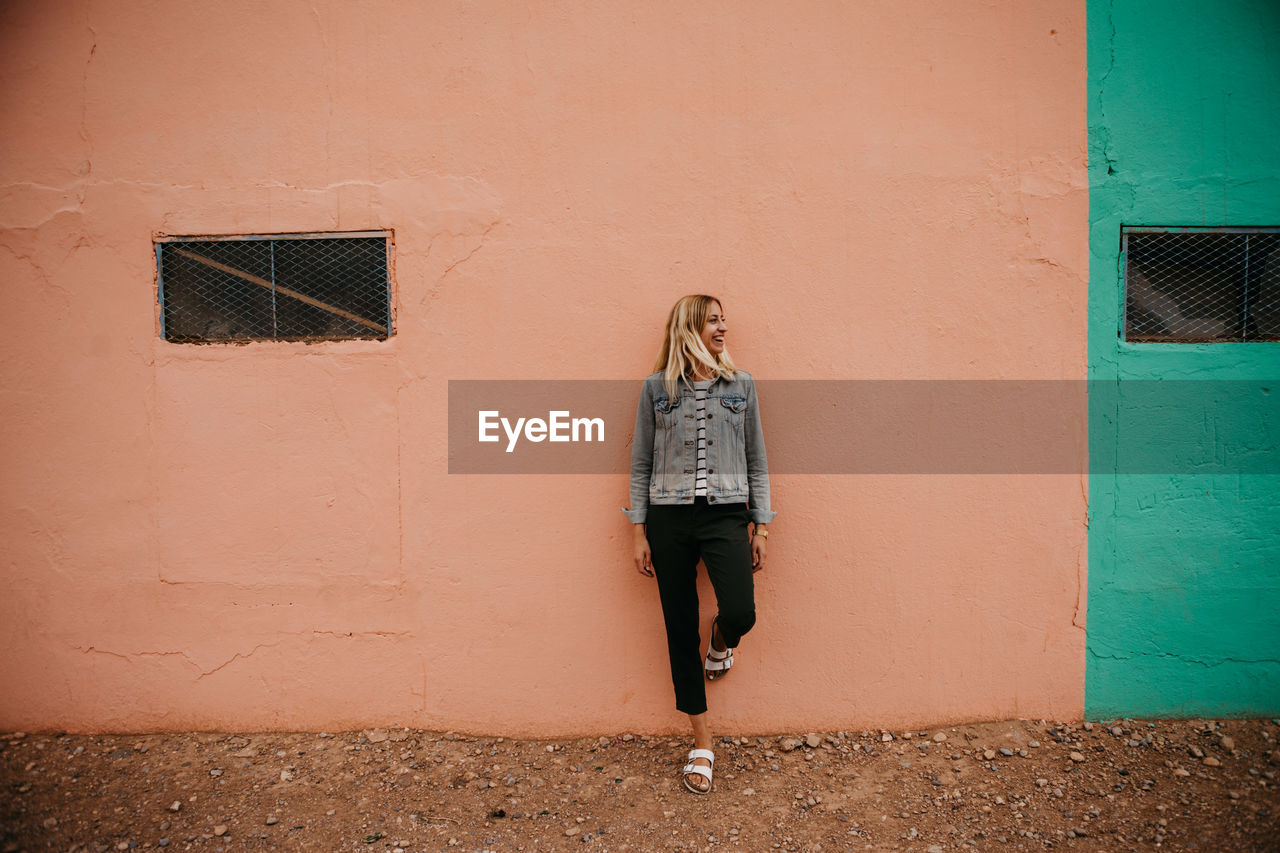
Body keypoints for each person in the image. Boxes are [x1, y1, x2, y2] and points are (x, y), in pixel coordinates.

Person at [623, 294, 775, 794]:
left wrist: (762, 524)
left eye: (723, 318)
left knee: (741, 612)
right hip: (668, 519)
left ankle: (721, 639)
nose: (724, 327)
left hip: (727, 515)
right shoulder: (656, 389)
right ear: (690, 328)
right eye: (714, 319)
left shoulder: (741, 385)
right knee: (677, 626)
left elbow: (757, 459)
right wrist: (640, 532)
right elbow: (642, 463)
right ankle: (702, 742)